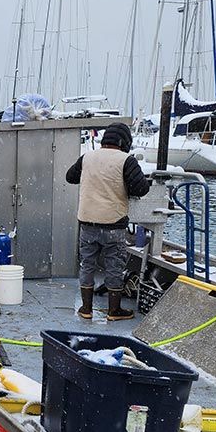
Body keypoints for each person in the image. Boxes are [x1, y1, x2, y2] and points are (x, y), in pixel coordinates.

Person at [65, 122, 149, 321]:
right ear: (124, 142)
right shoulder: (126, 160)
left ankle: (86, 309)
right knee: (114, 267)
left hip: (87, 223)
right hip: (113, 224)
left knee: (87, 264)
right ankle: (114, 310)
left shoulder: (87, 157)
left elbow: (70, 177)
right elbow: (142, 189)